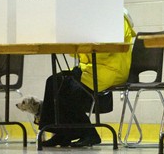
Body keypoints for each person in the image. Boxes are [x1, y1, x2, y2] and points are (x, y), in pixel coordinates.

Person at [39, 9, 136, 147]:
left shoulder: (118, 18)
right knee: (53, 81)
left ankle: (90, 133)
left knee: (69, 89)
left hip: (111, 70)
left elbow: (104, 51)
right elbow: (81, 54)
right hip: (91, 68)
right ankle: (61, 132)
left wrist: (82, 47)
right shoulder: (95, 19)